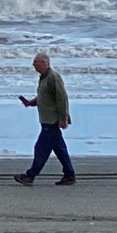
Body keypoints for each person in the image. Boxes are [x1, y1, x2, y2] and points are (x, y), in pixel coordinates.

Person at [14, 52, 76, 186]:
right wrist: (32, 102)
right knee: (60, 149)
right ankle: (69, 174)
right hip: (46, 119)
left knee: (41, 148)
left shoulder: (54, 77)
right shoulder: (43, 77)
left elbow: (62, 98)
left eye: (36, 62)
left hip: (52, 119)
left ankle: (30, 175)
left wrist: (63, 118)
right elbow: (45, 96)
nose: (33, 65)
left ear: (45, 63)